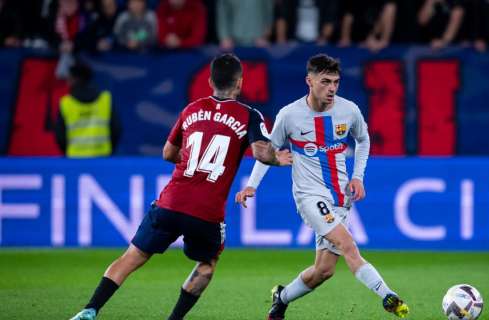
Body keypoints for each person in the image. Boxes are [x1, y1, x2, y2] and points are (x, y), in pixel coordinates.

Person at [69, 53, 293, 320]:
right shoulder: (249, 115)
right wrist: (278, 158)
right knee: (207, 265)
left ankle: (90, 309)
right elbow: (261, 153)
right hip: (206, 213)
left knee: (132, 256)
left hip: (171, 202)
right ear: (240, 83)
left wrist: (190, 161)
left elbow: (167, 153)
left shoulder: (192, 109)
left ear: (210, 81)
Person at [235, 54, 409, 319]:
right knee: (348, 244)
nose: (332, 88)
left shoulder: (348, 110)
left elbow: (363, 140)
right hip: (309, 196)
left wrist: (358, 176)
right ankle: (388, 296)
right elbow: (268, 152)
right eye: (325, 81)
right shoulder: (290, 115)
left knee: (323, 271)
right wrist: (251, 186)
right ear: (309, 81)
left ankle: (280, 298)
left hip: (340, 197)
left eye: (336, 82)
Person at [55, 62, 121, 157]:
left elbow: (60, 135)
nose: (67, 81)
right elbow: (116, 129)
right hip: (102, 156)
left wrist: (68, 151)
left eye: (69, 78)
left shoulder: (66, 103)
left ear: (73, 79)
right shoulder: (105, 99)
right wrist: (109, 150)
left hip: (75, 158)